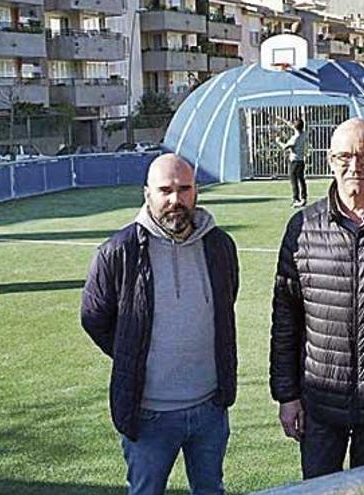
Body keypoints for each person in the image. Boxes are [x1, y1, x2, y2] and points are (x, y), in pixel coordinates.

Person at [270, 118, 364, 479]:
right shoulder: (303, 227)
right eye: (345, 156)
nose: (355, 166)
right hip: (319, 405)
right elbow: (286, 317)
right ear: (329, 160)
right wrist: (287, 395)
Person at [80, 153, 239, 495]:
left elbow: (227, 303)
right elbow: (94, 317)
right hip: (149, 413)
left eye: (184, 189)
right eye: (165, 190)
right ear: (147, 193)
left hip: (210, 408)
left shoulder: (220, 246)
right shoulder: (118, 251)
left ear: (196, 192)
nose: (175, 200)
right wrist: (131, 352)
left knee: (211, 489)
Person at [276, 117, 308, 208]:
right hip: (301, 161)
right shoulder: (303, 134)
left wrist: (278, 141)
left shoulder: (294, 139)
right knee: (301, 179)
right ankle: (304, 197)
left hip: (294, 161)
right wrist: (285, 121)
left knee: (294, 181)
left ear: (295, 127)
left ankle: (296, 198)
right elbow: (295, 127)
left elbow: (285, 147)